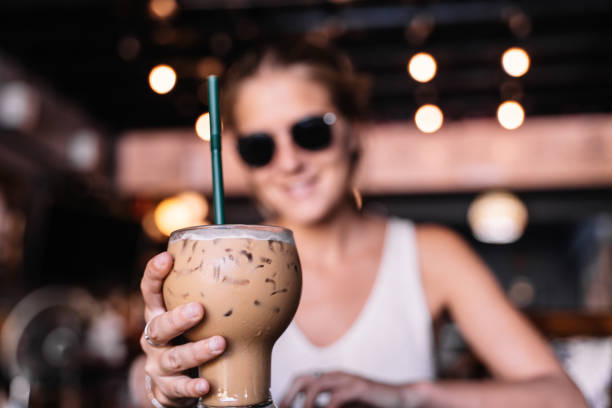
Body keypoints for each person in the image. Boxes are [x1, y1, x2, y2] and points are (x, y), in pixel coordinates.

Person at [130, 40, 586, 408]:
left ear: (351, 130)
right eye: (259, 146)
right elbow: (140, 380)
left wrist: (409, 396)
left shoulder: (429, 254)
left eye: (311, 132)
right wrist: (157, 380)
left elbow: (563, 398)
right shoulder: (211, 266)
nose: (289, 162)